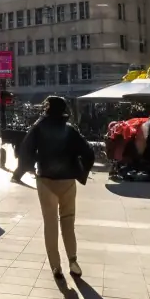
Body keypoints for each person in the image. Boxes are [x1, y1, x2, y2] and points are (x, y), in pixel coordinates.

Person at [14, 95, 94, 281]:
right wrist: (80, 172)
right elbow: (88, 152)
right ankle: (73, 261)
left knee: (50, 224)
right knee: (68, 221)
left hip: (46, 181)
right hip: (67, 181)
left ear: (47, 109)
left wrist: (27, 168)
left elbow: (25, 150)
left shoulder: (39, 127)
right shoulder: (70, 130)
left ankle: (56, 267)